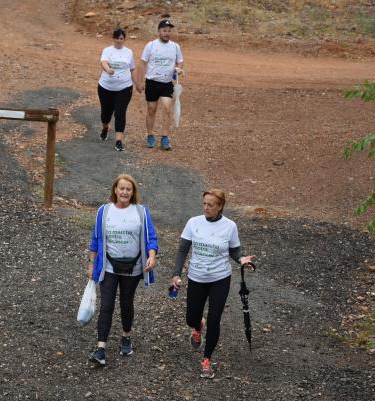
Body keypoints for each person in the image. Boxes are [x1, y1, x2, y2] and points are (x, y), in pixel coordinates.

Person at [170, 189, 256, 378]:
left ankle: (207, 360)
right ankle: (197, 326)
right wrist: (176, 274)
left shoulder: (230, 226)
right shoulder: (193, 223)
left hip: (220, 278)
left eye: (210, 205)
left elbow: (235, 251)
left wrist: (241, 259)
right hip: (197, 277)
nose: (206, 208)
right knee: (191, 317)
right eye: (204, 204)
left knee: (214, 318)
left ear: (220, 207)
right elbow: (183, 250)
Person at [87, 174, 158, 366]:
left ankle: (126, 336)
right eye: (122, 188)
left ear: (133, 192)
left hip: (133, 267)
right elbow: (95, 238)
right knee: (107, 305)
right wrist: (92, 263)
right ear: (115, 190)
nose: (125, 192)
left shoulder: (141, 212)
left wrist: (151, 256)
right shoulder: (104, 211)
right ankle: (101, 348)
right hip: (108, 266)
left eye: (129, 189)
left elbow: (151, 238)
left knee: (126, 304)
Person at [136, 19, 184, 151]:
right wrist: (139, 83)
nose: (167, 33)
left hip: (167, 83)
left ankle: (165, 137)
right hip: (152, 82)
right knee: (152, 109)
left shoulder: (175, 47)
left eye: (169, 31)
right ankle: (150, 135)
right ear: (159, 31)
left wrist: (178, 69)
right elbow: (142, 64)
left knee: (168, 109)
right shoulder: (150, 46)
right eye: (164, 30)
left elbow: (180, 62)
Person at [97, 28, 139, 152]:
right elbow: (103, 62)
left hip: (124, 87)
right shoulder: (107, 50)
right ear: (113, 38)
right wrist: (108, 69)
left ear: (124, 39)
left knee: (120, 112)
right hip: (106, 87)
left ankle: (119, 140)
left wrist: (138, 84)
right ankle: (105, 127)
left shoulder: (128, 52)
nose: (119, 41)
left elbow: (132, 69)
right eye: (117, 38)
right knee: (106, 112)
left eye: (122, 38)